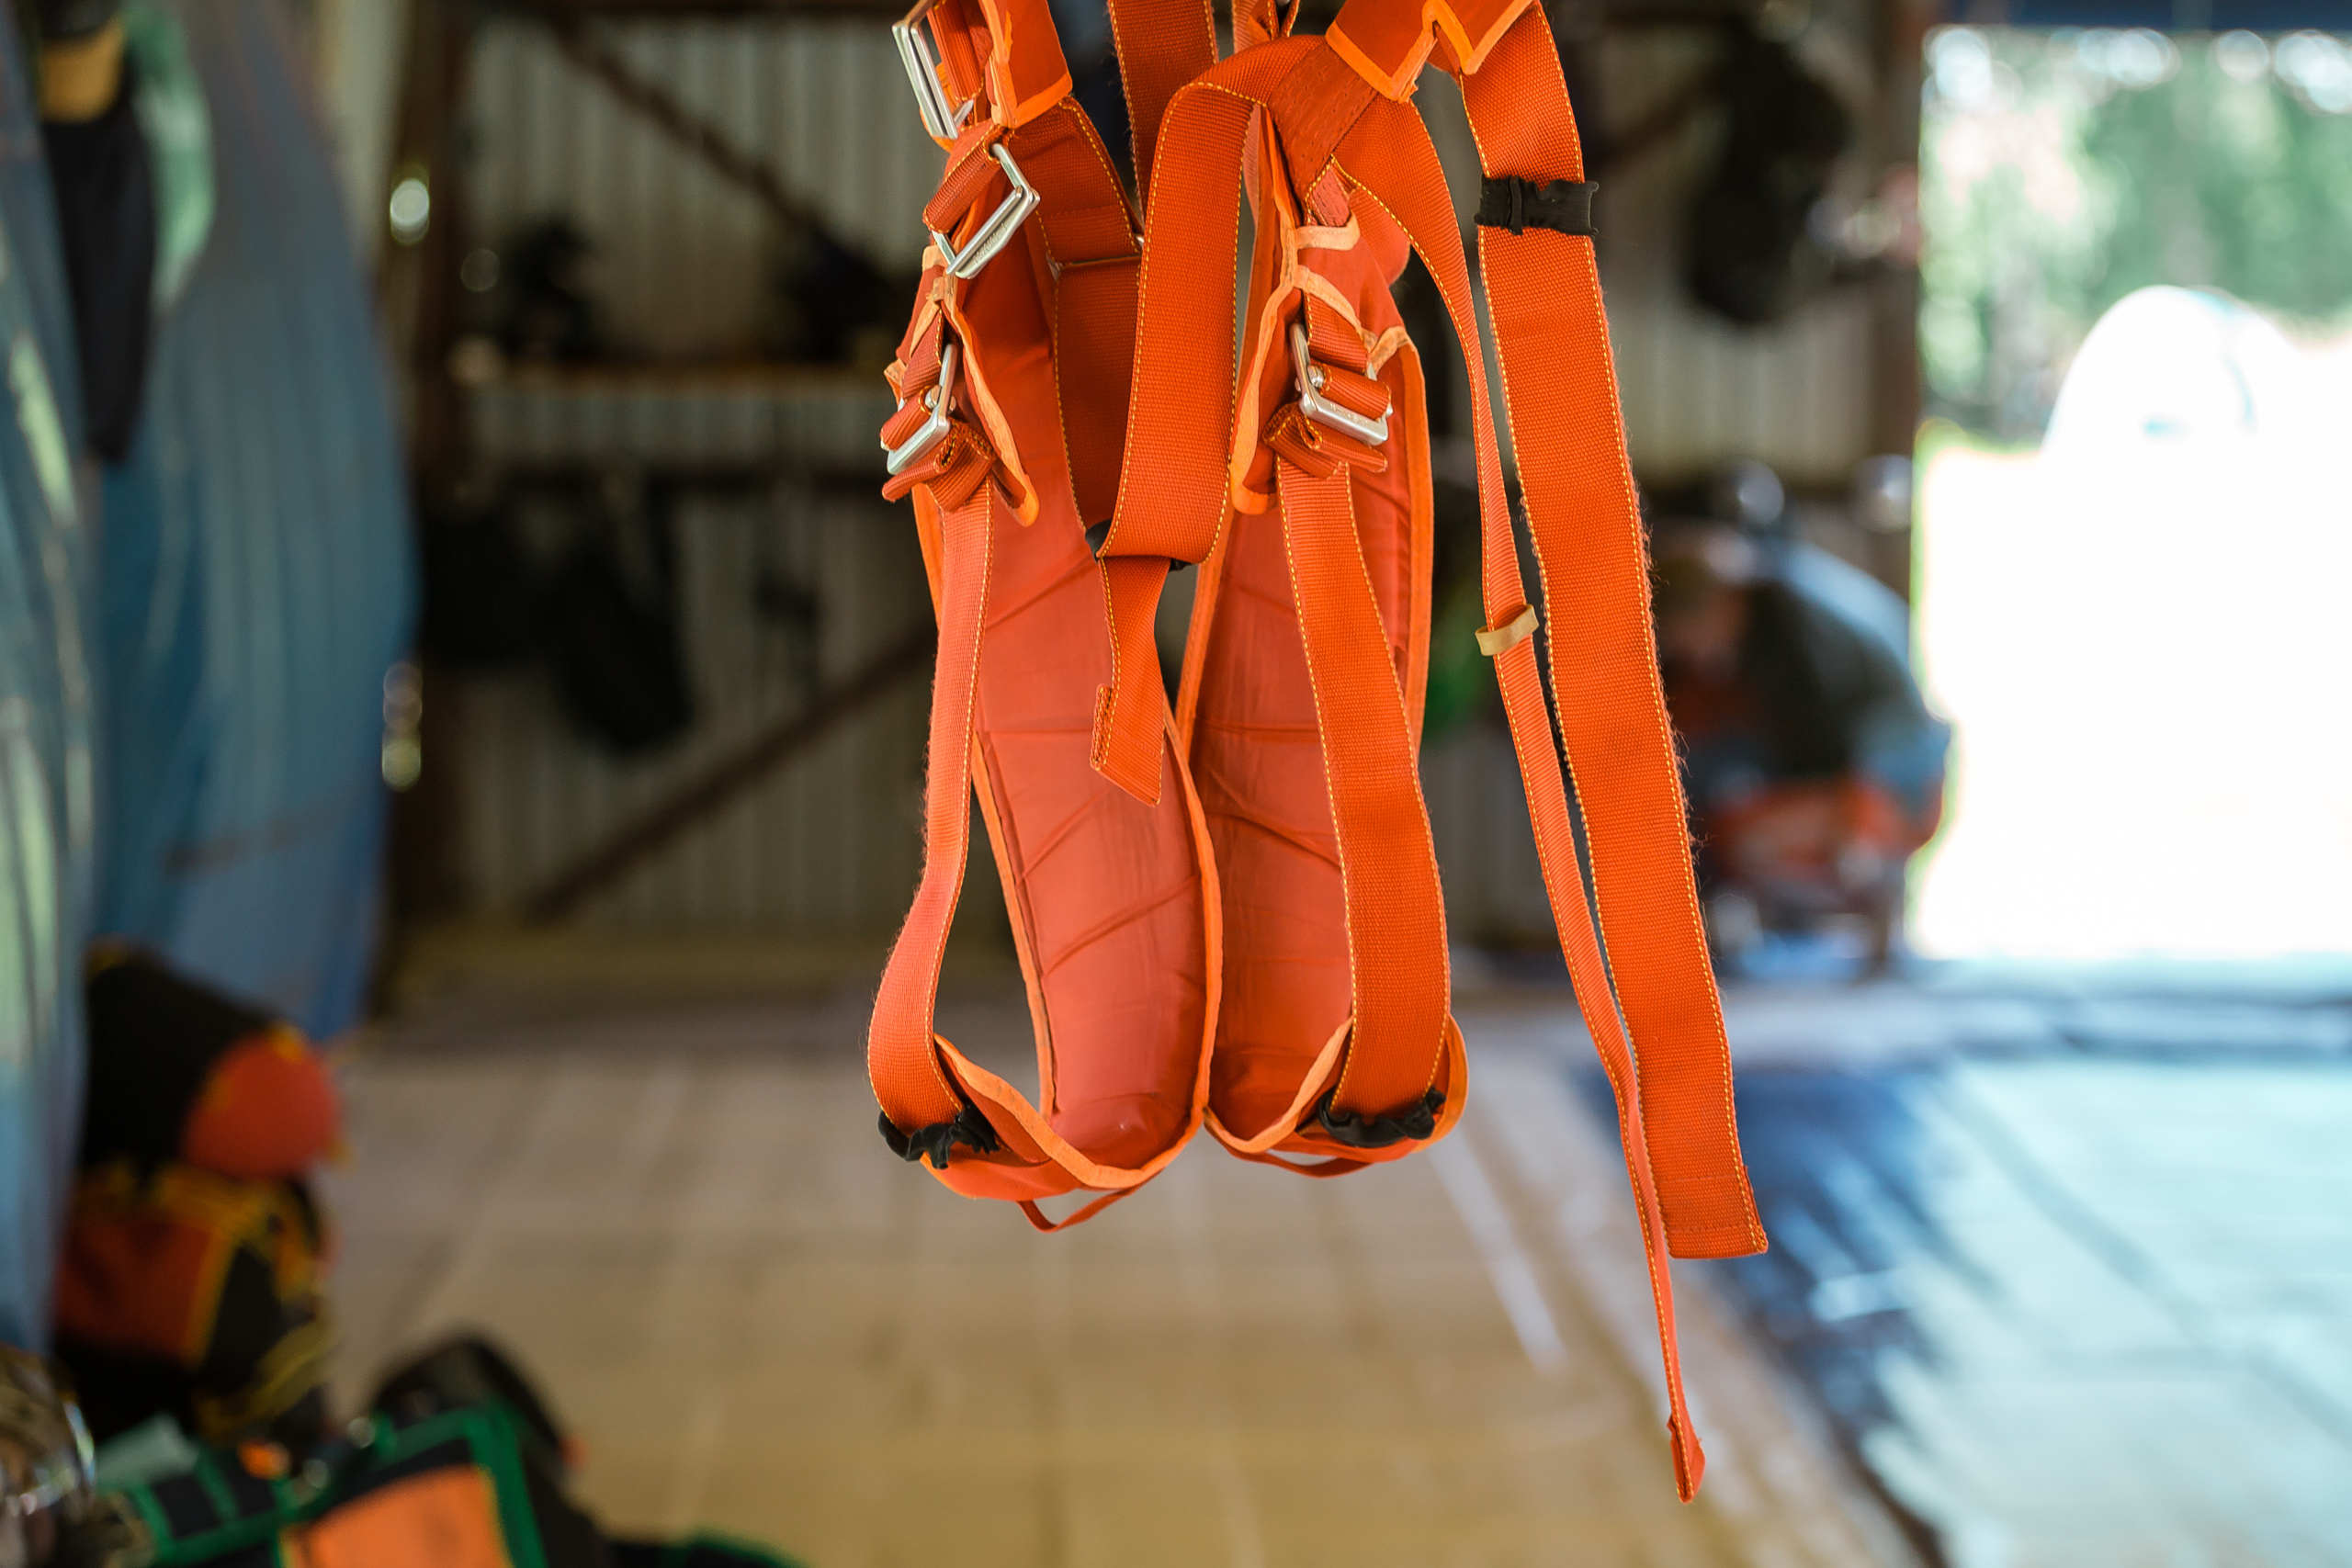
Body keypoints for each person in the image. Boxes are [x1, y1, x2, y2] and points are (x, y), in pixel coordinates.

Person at [1652, 515, 1947, 969]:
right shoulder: (1777, 601)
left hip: (1897, 775)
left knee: (1737, 829)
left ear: (1715, 604)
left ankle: (1874, 894)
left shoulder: (1797, 629)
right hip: (1876, 760)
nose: (1690, 655)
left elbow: (1826, 741)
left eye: (1684, 638)